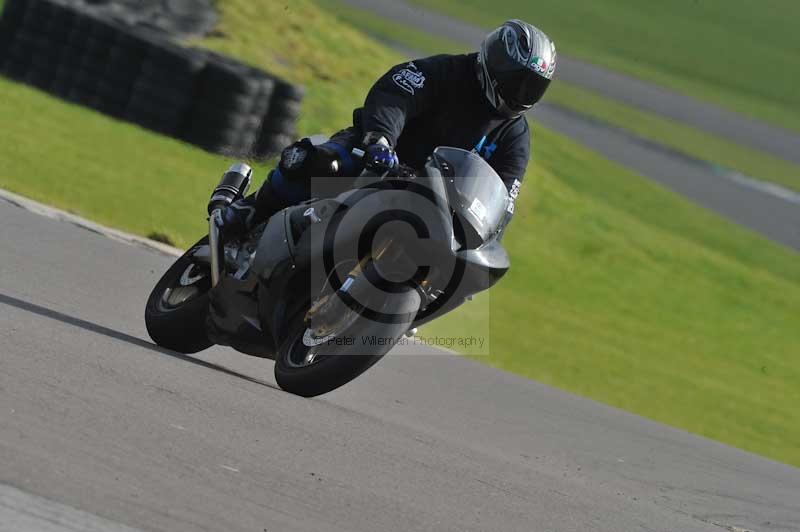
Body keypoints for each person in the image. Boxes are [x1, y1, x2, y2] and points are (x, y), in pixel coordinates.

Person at [221, 19, 557, 236]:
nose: (521, 93)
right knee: (323, 162)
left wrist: (486, 230)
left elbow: (504, 196)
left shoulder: (514, 136)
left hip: (430, 206)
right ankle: (249, 211)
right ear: (496, 62)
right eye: (517, 80)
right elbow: (395, 96)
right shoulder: (447, 72)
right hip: (379, 160)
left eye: (533, 87)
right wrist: (381, 139)